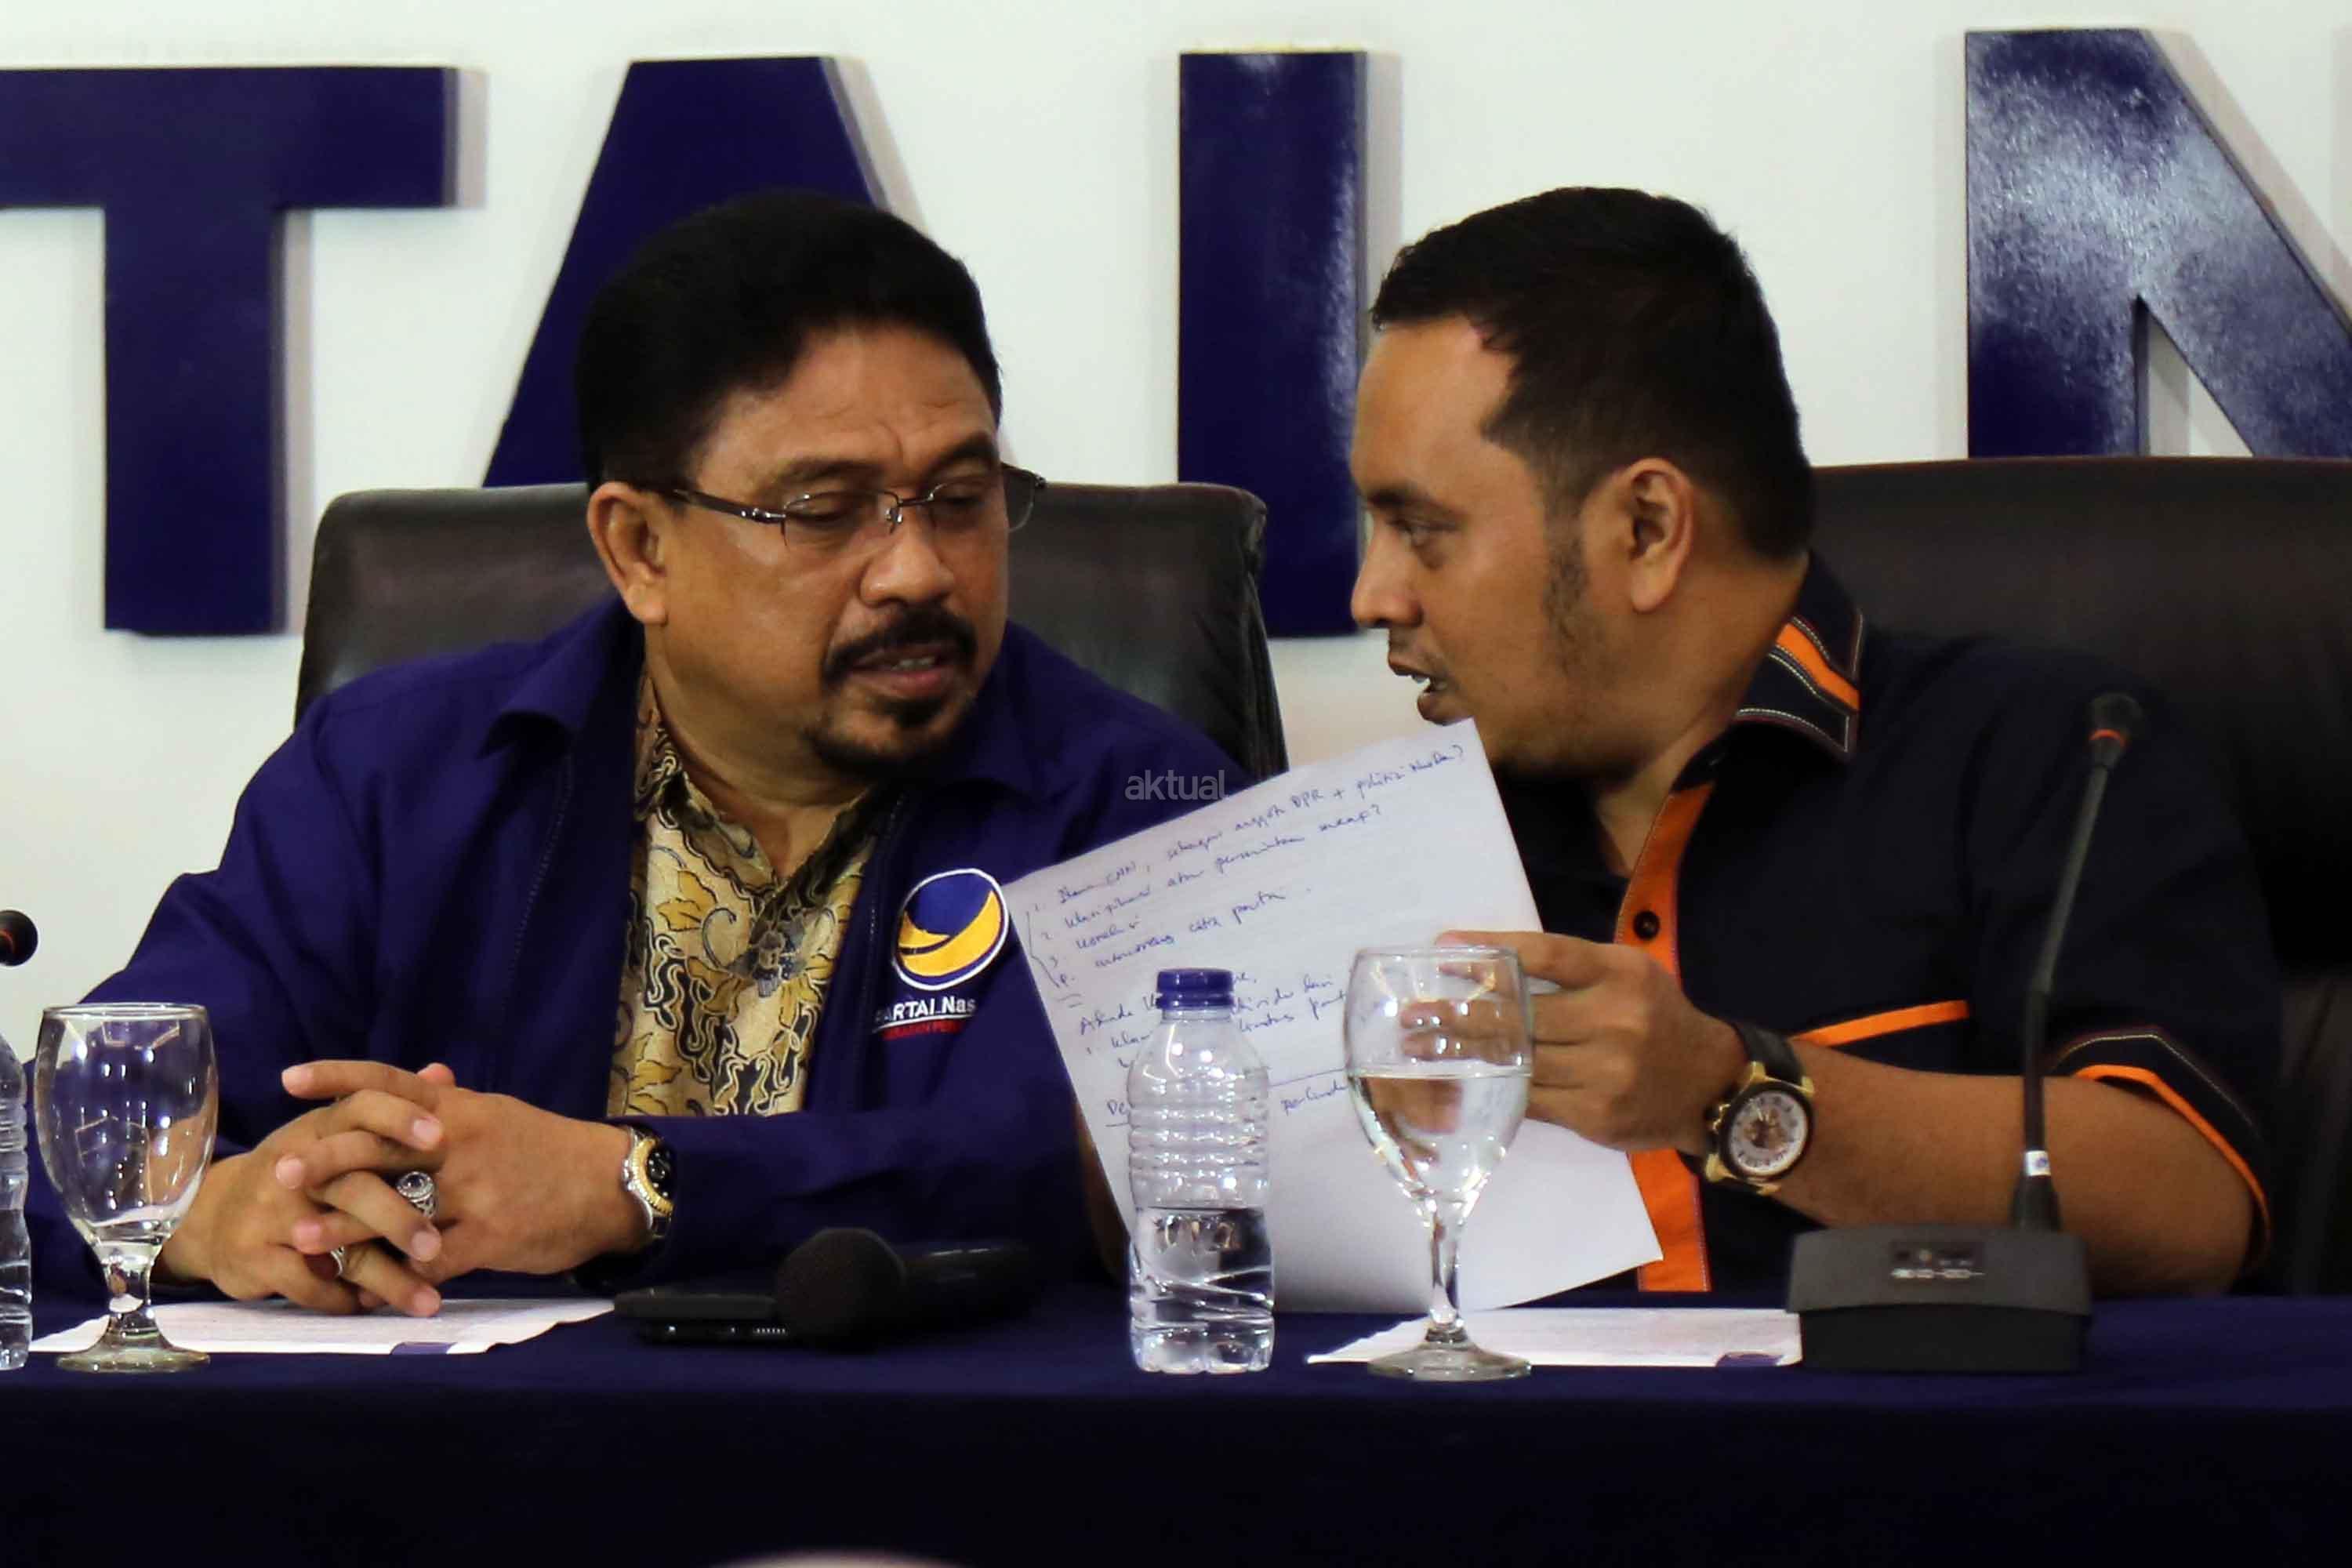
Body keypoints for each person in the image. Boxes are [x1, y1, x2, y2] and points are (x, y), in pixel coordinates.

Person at [33, 190, 1238, 1314]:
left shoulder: (1144, 805)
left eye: (960, 499)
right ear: (640, 551)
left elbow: (1093, 1162)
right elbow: (91, 1108)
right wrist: (203, 1212)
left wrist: (636, 1185)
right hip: (461, 1454)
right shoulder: (396, 778)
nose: (918, 571)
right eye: (826, 511)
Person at [1348, 187, 2274, 1294]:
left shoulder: (2052, 754)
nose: (1372, 595)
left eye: (1421, 531)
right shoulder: (1405, 846)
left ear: (1647, 528)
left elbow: (2188, 1203)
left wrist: (1728, 1092)